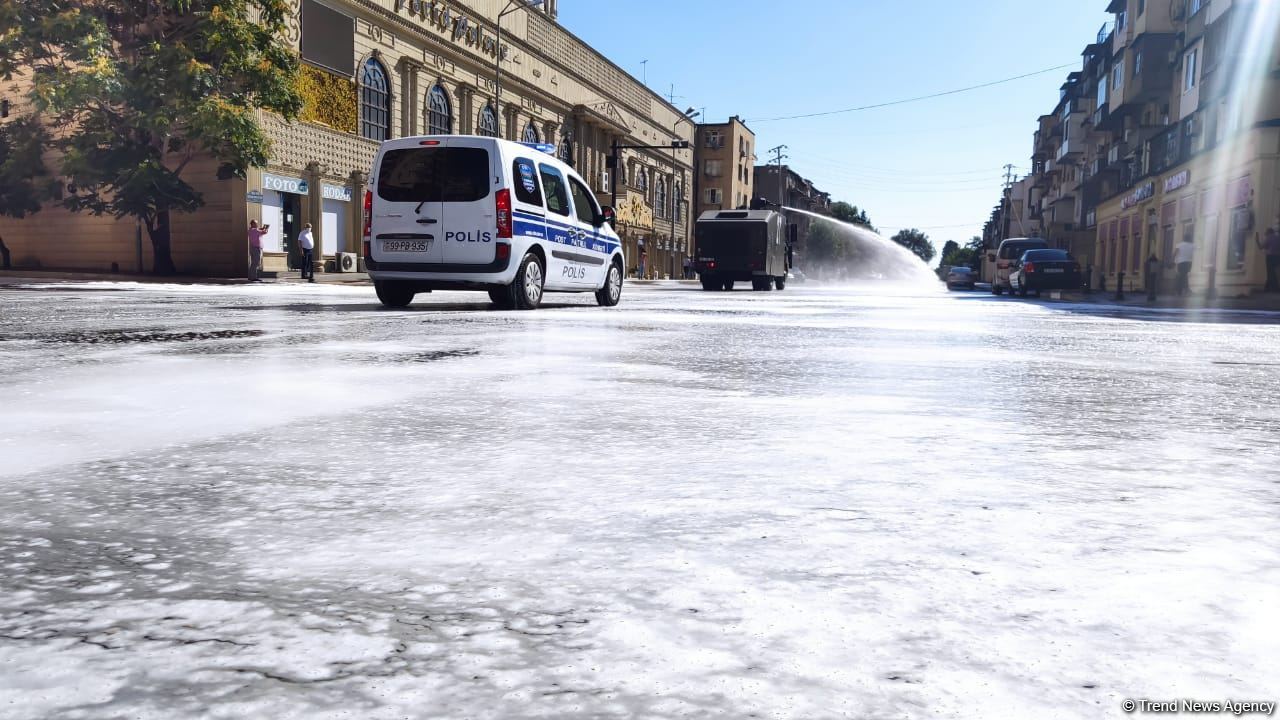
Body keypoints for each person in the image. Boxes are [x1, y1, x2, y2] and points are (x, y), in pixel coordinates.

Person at [1256, 226, 1280, 292]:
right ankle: (1276, 286)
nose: (1265, 233)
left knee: (1270, 272)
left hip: (1270, 256)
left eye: (1266, 232)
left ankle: (1271, 287)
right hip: (1278, 256)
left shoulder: (1268, 238)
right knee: (1276, 272)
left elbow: (1261, 247)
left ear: (1269, 232)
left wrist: (1257, 240)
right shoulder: (1278, 237)